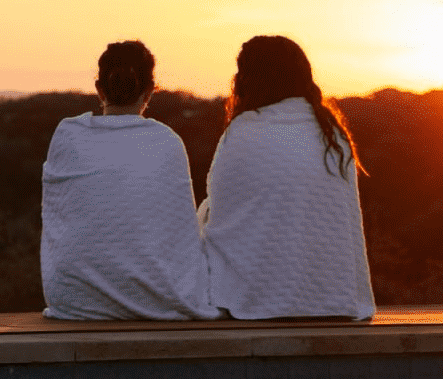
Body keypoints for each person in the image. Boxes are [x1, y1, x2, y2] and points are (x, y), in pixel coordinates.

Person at [200, 35, 375, 320]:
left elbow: (220, 213)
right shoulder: (333, 135)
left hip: (254, 297)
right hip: (333, 299)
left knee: (203, 217)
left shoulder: (243, 131)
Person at [39, 40, 216, 320]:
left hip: (73, 300)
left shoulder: (67, 135)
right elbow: (181, 234)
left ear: (99, 89)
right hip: (157, 299)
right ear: (149, 91)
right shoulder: (166, 142)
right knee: (209, 213)